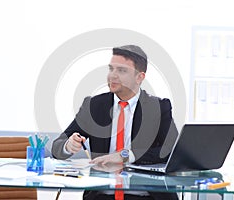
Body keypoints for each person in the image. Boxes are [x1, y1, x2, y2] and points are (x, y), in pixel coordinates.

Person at [52, 45, 179, 200]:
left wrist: (125, 155)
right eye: (111, 69)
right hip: (102, 196)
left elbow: (171, 150)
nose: (112, 75)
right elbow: (57, 147)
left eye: (121, 70)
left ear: (140, 77)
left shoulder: (158, 107)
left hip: (145, 196)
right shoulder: (94, 106)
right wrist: (68, 145)